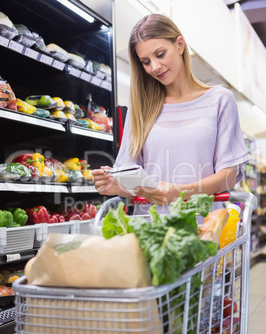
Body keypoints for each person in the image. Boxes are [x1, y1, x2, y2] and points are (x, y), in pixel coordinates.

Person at [92, 13, 249, 215]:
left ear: (179, 45)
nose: (155, 67)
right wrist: (118, 185)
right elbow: (133, 176)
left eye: (160, 54)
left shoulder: (219, 100)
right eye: (146, 62)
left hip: (202, 229)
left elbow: (229, 175)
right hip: (150, 230)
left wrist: (179, 193)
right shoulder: (142, 107)